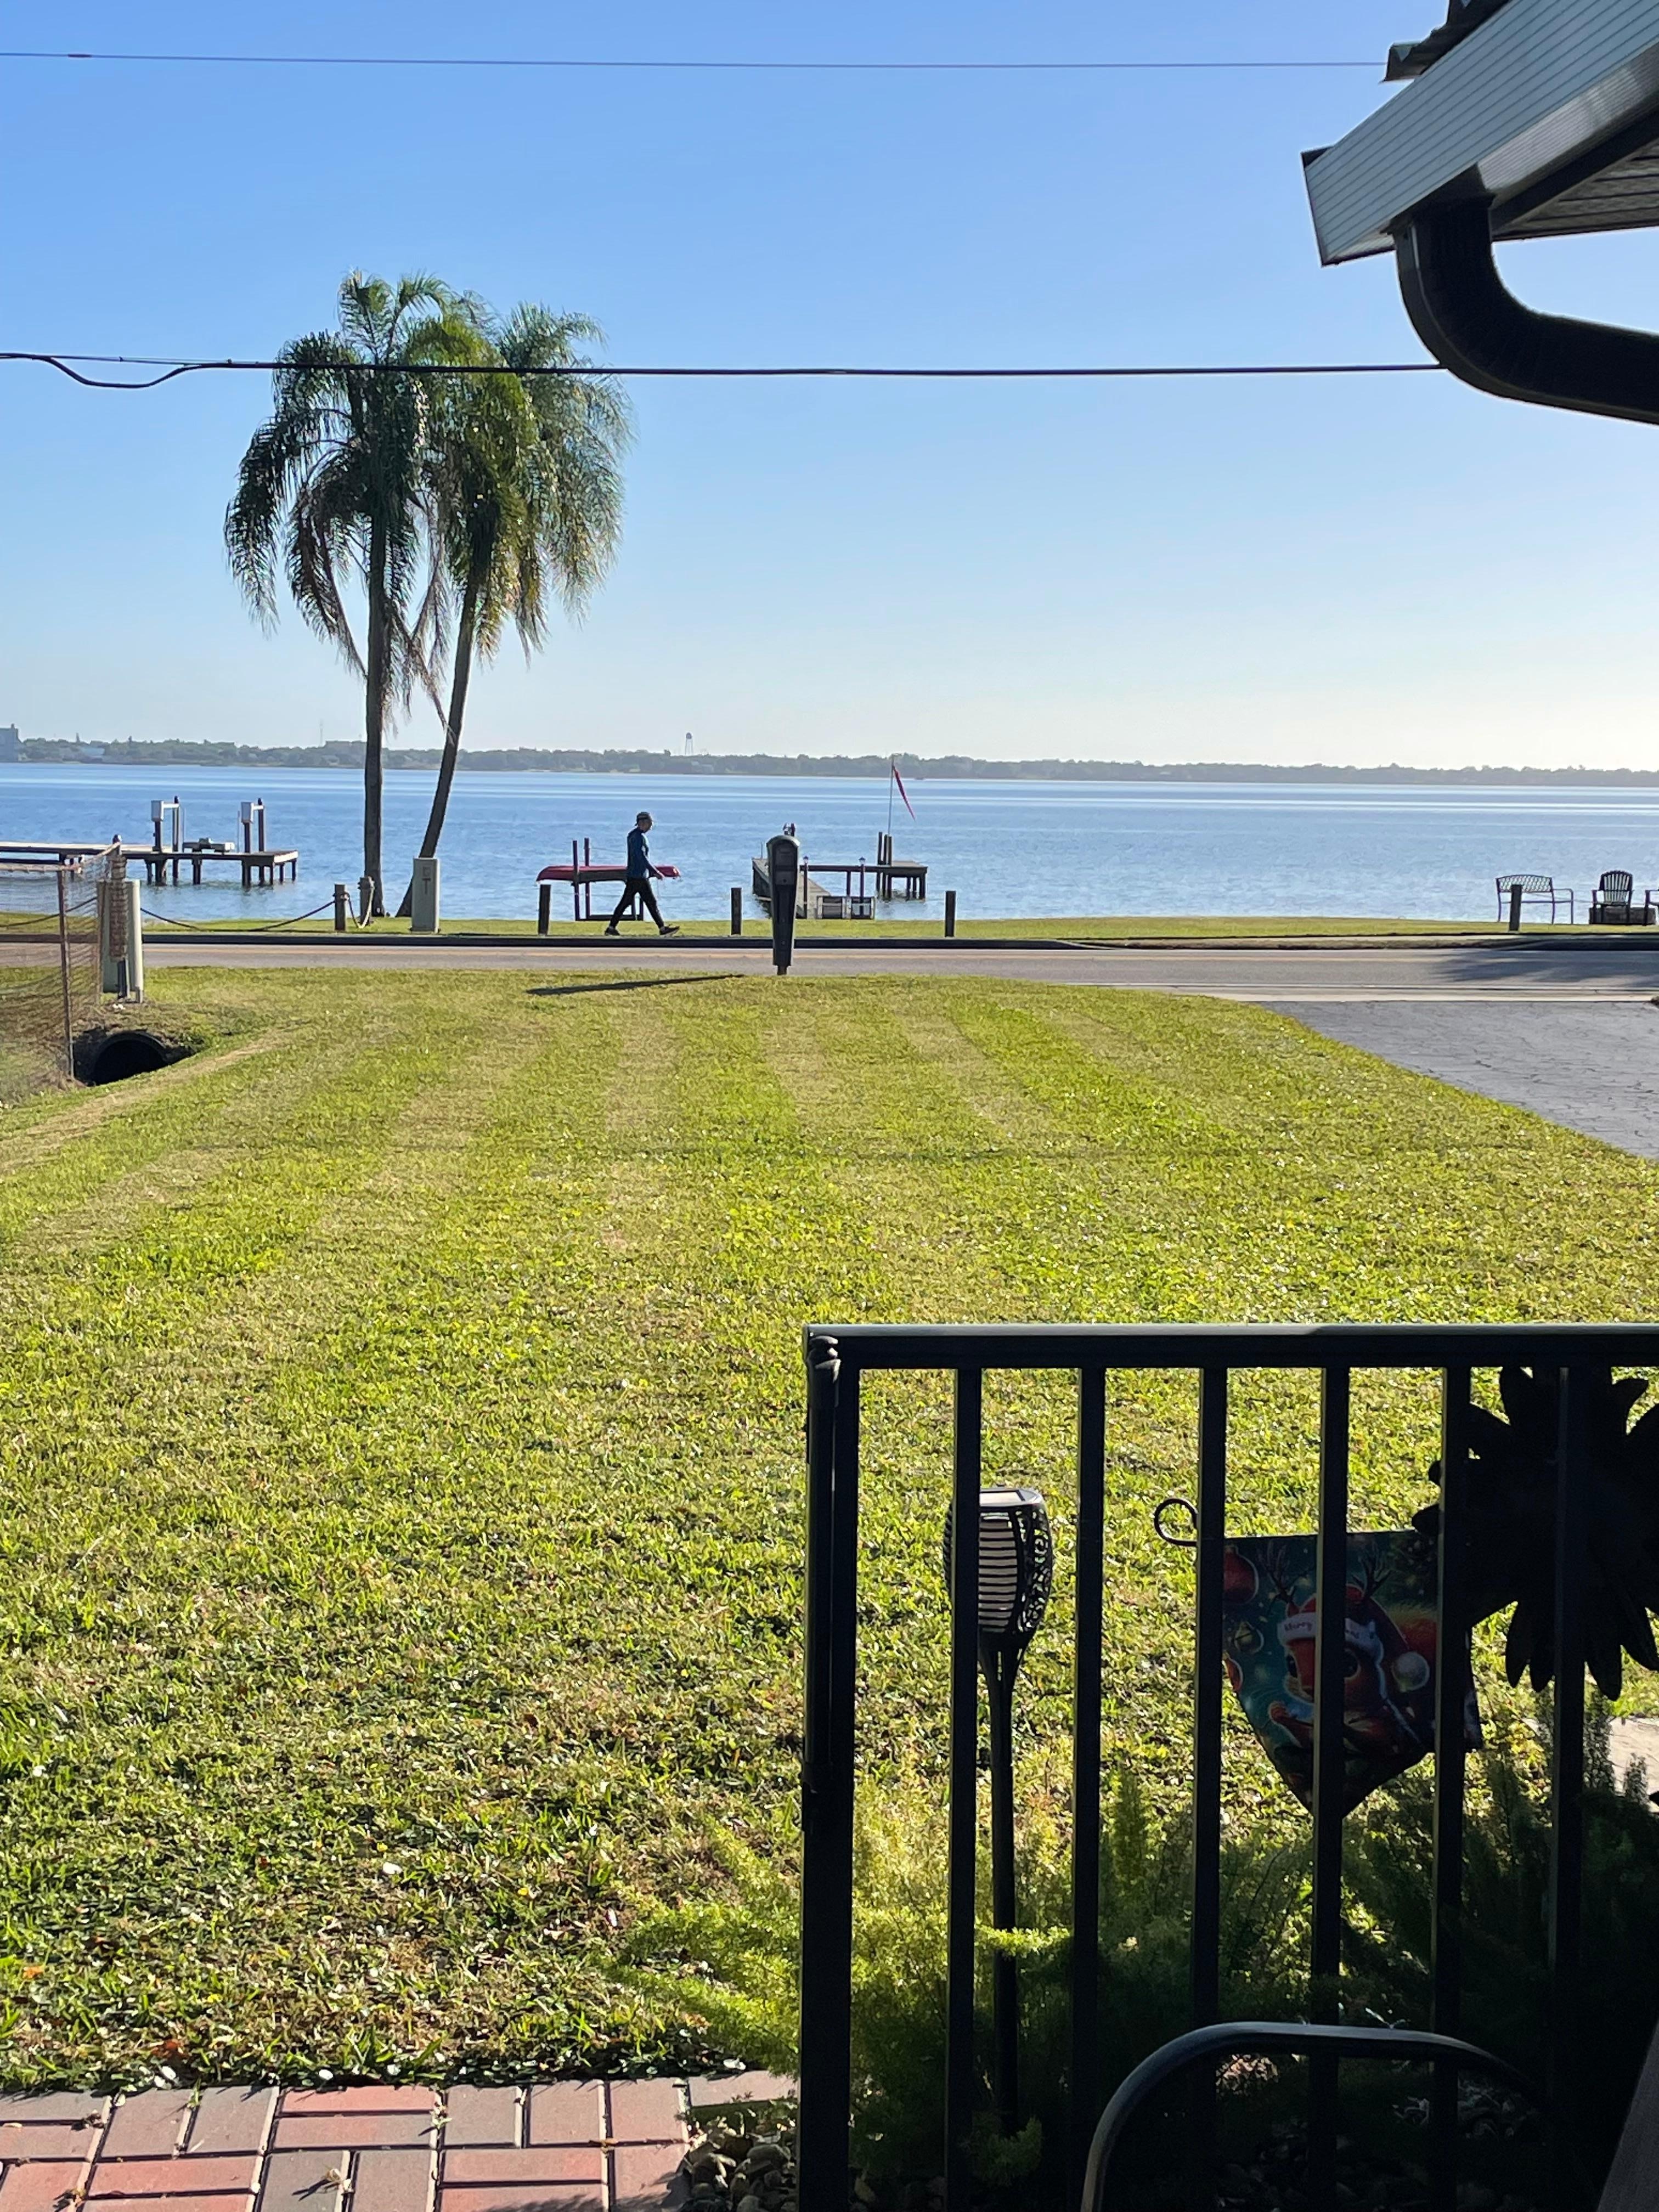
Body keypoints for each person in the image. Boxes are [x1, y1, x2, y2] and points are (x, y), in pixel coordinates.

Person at [605, 811, 679, 936]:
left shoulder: (633, 835)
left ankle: (611, 928)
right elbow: (641, 856)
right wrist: (655, 871)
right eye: (650, 824)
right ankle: (662, 929)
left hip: (635, 875)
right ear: (643, 823)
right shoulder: (639, 837)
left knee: (627, 902)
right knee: (650, 902)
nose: (651, 827)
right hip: (639, 876)